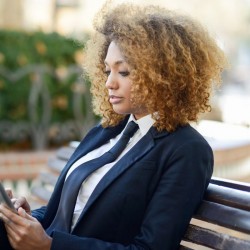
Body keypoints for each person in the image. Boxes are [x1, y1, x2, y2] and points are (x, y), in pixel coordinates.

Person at [0, 2, 227, 250]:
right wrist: (26, 220)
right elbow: (64, 217)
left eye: (124, 72)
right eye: (107, 70)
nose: (110, 83)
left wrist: (49, 245)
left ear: (163, 75)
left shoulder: (187, 150)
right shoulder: (108, 129)